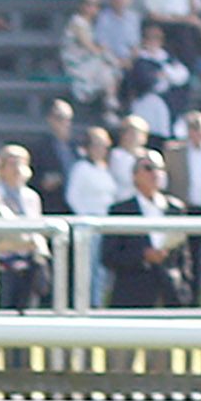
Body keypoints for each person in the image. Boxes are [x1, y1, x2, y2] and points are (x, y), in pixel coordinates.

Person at [102, 150, 190, 309]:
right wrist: (143, 256)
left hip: (169, 296)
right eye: (148, 168)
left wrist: (183, 283)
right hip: (132, 296)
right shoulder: (121, 210)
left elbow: (183, 256)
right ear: (134, 175)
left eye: (159, 168)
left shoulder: (175, 209)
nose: (155, 173)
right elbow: (109, 256)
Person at [0, 145, 47, 311]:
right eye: (11, 163)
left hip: (28, 262)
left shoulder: (31, 197)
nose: (17, 169)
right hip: (2, 263)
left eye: (21, 163)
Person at [163, 110, 201, 287]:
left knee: (197, 254)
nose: (197, 133)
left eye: (200, 129)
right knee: (177, 251)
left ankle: (194, 293)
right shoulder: (174, 152)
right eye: (193, 128)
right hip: (181, 207)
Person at [66, 126, 117, 305]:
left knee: (100, 269)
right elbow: (72, 197)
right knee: (86, 268)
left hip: (105, 225)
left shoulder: (104, 169)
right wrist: (85, 219)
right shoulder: (81, 168)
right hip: (88, 226)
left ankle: (97, 303)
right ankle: (83, 304)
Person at [61, 0, 120, 113]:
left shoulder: (92, 24)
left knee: (108, 71)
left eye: (95, 4)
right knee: (107, 69)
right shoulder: (77, 23)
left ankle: (110, 105)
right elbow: (89, 47)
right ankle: (110, 103)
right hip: (77, 64)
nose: (92, 7)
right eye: (88, 4)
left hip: (89, 61)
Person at [93, 0, 143, 70]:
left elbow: (135, 45)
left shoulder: (134, 18)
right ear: (111, 0)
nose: (120, 1)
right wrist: (117, 61)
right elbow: (102, 45)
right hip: (110, 60)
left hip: (130, 60)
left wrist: (130, 60)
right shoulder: (103, 18)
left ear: (130, 0)